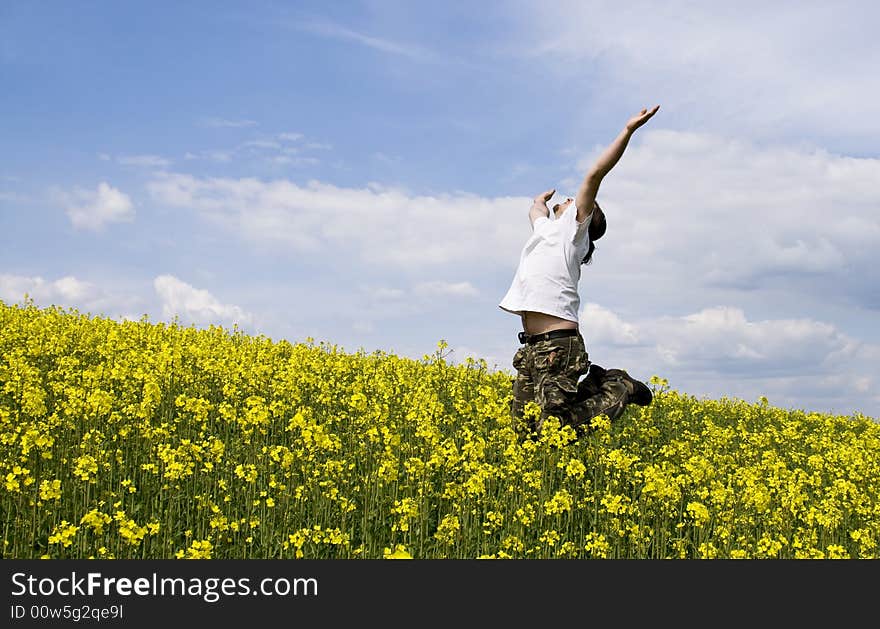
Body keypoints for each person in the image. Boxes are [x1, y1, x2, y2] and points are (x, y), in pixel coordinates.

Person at [499, 105, 660, 438]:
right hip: (531, 347)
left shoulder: (573, 232)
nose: (570, 198)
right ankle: (600, 383)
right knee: (524, 436)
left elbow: (594, 175)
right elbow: (535, 212)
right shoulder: (546, 231)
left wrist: (627, 131)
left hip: (558, 346)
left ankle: (620, 388)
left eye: (575, 201)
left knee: (553, 432)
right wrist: (538, 201)